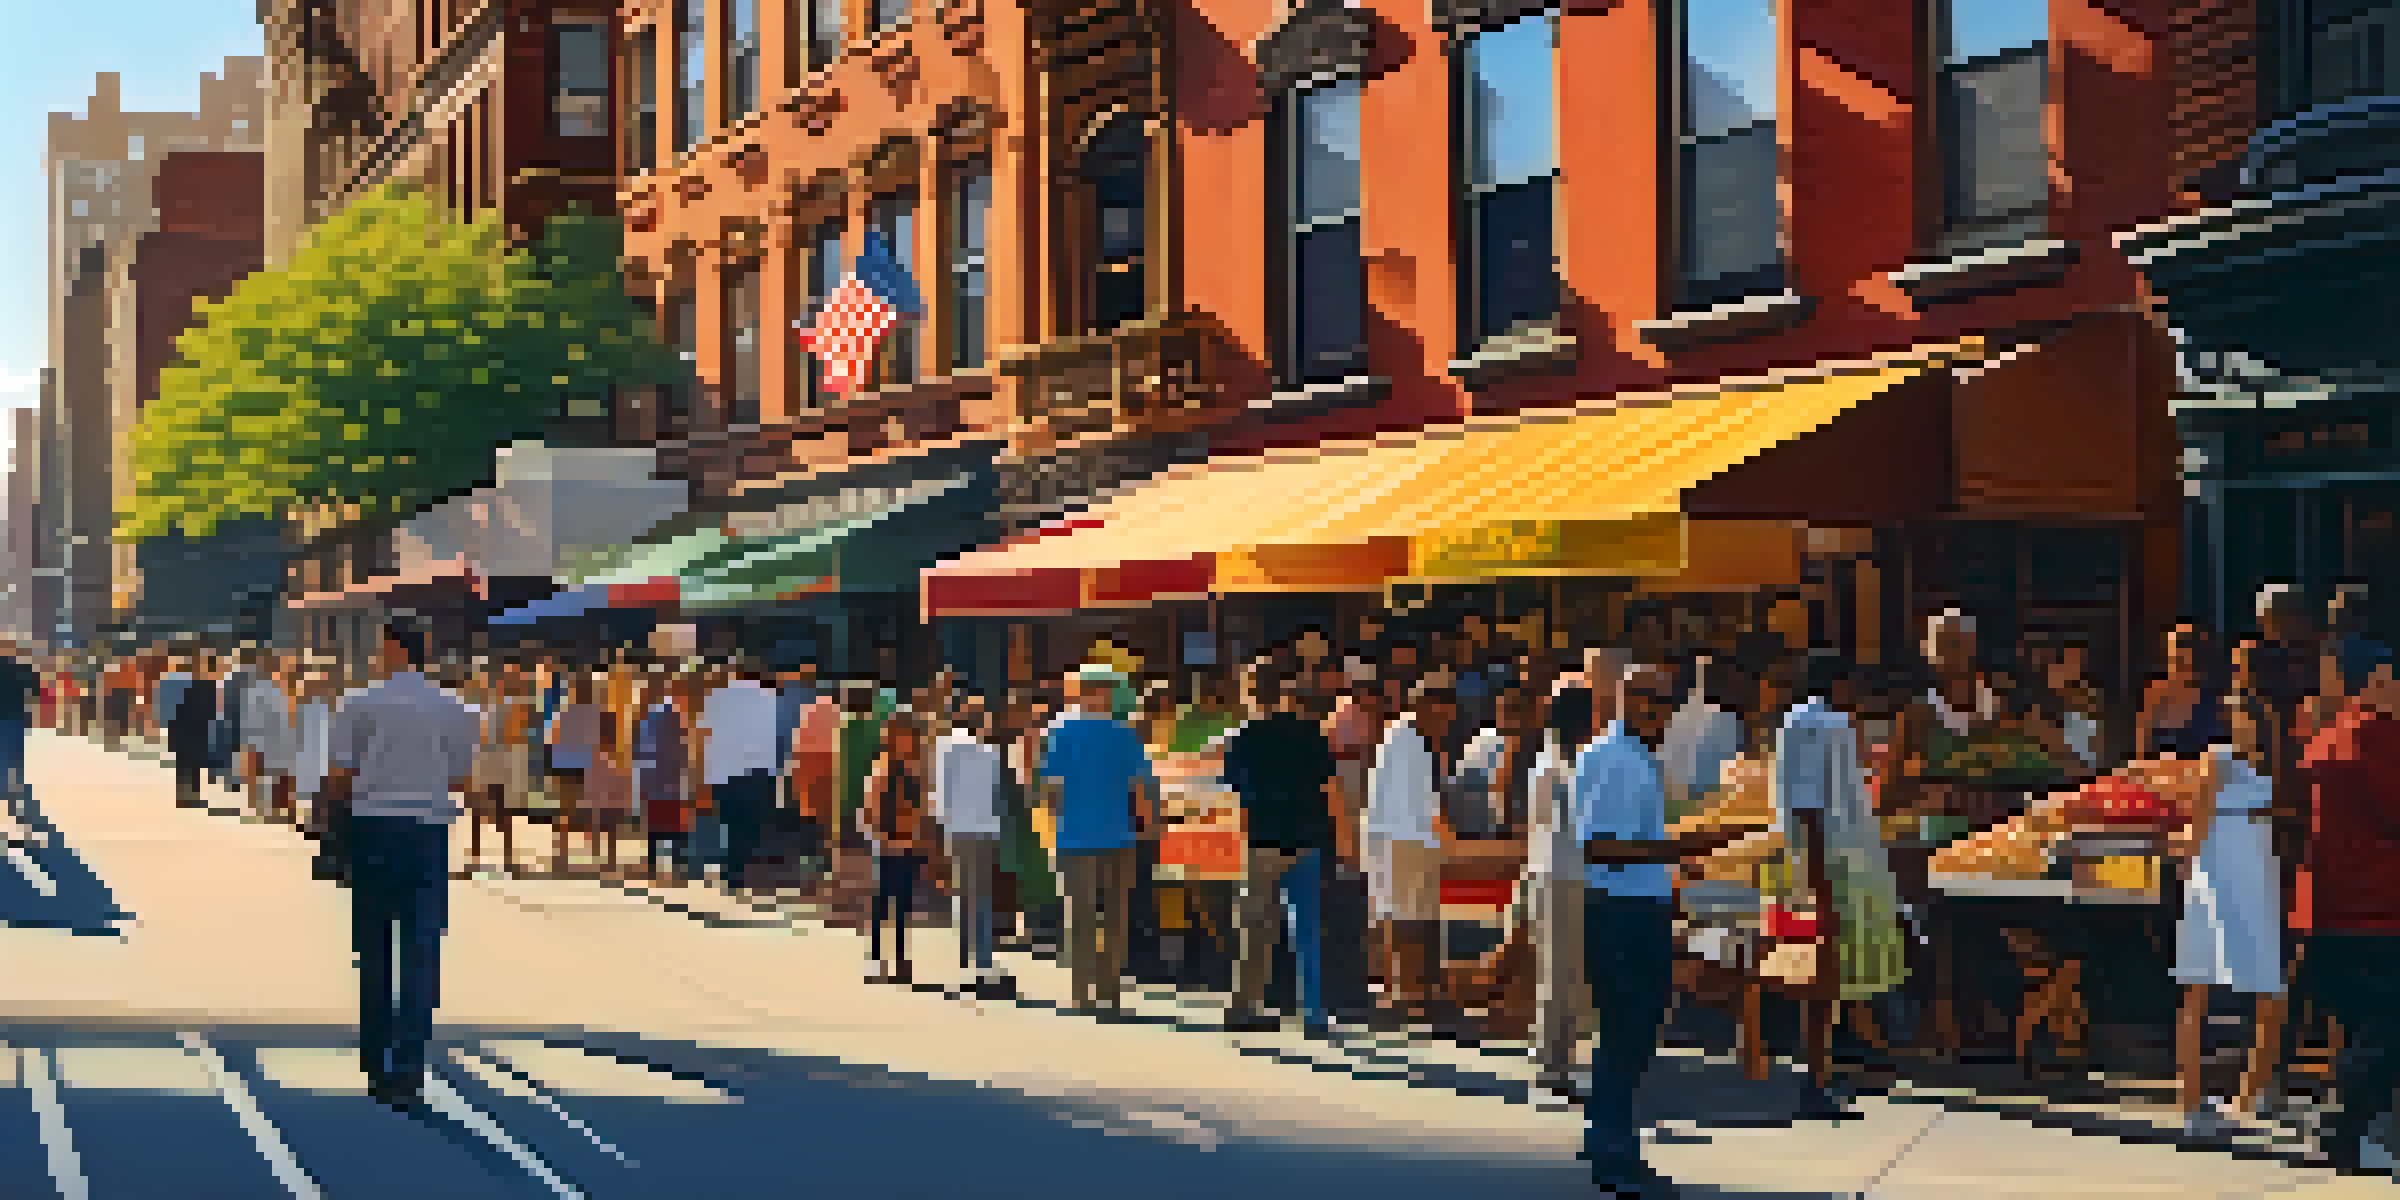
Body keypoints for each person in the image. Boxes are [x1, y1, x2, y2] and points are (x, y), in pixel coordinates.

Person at [1576, 664, 1755, 1198]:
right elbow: (1599, 847)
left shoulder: (1633, 758)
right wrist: (1690, 847)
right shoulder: (1613, 759)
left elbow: (1629, 842)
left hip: (1635, 906)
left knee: (1630, 1035)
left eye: (1665, 703)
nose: (1658, 712)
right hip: (1621, 911)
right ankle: (1614, 1154)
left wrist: (1677, 856)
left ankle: (1610, 1140)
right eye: (1647, 700)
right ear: (1624, 699)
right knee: (1627, 1034)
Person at [328, 625, 478, 1110]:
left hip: (372, 827)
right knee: (421, 949)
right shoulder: (455, 709)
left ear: (395, 649)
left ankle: (376, 1061)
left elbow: (340, 775)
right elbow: (459, 774)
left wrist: (331, 832)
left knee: (373, 951)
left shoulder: (359, 703)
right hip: (428, 831)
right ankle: (410, 1062)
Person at [2283, 659, 2400, 1169]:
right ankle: (2344, 1128)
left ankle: (2363, 1131)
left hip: (2327, 906)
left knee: (2360, 1025)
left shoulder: (2327, 739)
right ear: (2379, 681)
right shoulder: (2382, 738)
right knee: (2385, 1024)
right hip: (2380, 904)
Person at [2168, 640, 2285, 1139]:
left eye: (2245, 714)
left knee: (2269, 988)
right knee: (2198, 988)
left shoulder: (2272, 767)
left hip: (2257, 876)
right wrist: (2190, 873)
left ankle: (2251, 1093)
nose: (2239, 722)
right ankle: (2191, 1101)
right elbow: (2196, 829)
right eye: (2235, 714)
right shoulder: (2216, 761)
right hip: (2216, 878)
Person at [1222, 661, 1338, 1035]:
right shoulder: (1310, 734)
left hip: (1262, 840)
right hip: (1306, 837)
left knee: (1255, 926)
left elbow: (1236, 796)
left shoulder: (1242, 737)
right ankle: (1314, 1011)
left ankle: (1245, 1004)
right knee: (1306, 925)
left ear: (1251, 693)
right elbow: (1329, 789)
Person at [1039, 665, 1158, 1016]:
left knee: (1080, 915)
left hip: (1074, 836)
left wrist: (1059, 821)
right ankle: (1110, 993)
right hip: (1118, 836)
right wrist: (1150, 828)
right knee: (1115, 916)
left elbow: (1050, 788)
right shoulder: (1124, 733)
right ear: (1107, 692)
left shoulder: (1059, 730)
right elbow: (1143, 785)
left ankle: (1081, 993)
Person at [1365, 678, 1457, 1030]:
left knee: (1409, 920)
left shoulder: (1409, 739)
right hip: (1405, 841)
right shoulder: (1405, 741)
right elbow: (1413, 807)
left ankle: (1413, 995)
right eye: (1443, 716)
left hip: (1408, 841)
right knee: (1406, 921)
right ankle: (1406, 997)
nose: (1445, 724)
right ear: (1425, 706)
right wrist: (1441, 843)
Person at [1523, 681, 1593, 1095]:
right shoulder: (1570, 765)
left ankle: (1551, 1052)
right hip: (1569, 871)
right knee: (1566, 970)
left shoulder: (1545, 762)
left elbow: (1537, 819)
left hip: (1546, 868)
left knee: (1554, 967)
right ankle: (1555, 1059)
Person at [935, 694, 1008, 996]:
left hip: (960, 829)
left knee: (964, 894)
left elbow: (943, 792)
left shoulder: (948, 746)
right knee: (981, 895)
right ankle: (983, 960)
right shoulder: (990, 751)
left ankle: (970, 960)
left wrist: (942, 829)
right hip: (984, 830)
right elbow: (996, 795)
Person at [862, 710, 938, 984]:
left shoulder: (918, 768)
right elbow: (870, 808)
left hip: (910, 844)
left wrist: (921, 838)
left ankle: (901, 959)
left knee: (904, 905)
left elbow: (926, 807)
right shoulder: (882, 767)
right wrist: (882, 838)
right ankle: (875, 959)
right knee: (882, 903)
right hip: (887, 843)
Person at [701, 661, 781, 896]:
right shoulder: (769, 697)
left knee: (729, 824)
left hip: (724, 772)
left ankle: (730, 873)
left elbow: (707, 734)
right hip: (758, 773)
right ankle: (741, 872)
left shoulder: (717, 697)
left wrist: (707, 773)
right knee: (749, 825)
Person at [1661, 654, 1745, 827]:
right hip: (1713, 808)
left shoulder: (1673, 718)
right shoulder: (1727, 721)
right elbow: (1734, 769)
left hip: (1678, 804)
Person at [635, 666, 695, 884]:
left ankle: (656, 864)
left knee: (658, 819)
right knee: (672, 819)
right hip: (669, 773)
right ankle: (675, 864)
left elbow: (641, 747)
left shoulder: (650, 714)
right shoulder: (673, 713)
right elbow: (682, 744)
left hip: (656, 773)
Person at [2138, 623, 2227, 758]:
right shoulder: (2156, 692)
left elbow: (2221, 747)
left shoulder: (2213, 698)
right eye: (2170, 651)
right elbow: (2143, 748)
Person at [545, 672, 603, 876]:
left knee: (565, 811)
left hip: (565, 764)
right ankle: (595, 854)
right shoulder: (593, 712)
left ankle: (561, 856)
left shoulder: (564, 710)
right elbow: (597, 741)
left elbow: (552, 738)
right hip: (586, 765)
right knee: (593, 809)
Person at [166, 655, 221, 810]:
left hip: (191, 732)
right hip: (192, 731)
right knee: (189, 765)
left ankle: (188, 796)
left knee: (190, 765)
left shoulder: (199, 686)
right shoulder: (202, 687)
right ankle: (187, 797)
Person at [0, 639, 38, 830]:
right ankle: (15, 802)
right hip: (16, 719)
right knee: (14, 760)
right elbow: (37, 688)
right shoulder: (21, 667)